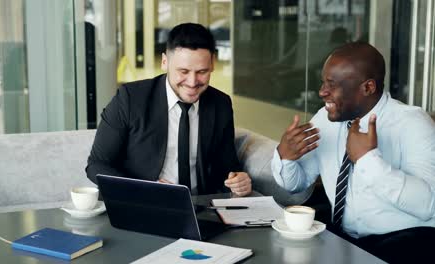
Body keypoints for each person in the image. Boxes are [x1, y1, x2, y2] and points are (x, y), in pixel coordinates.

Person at [272, 42, 435, 263]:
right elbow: (296, 184)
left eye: (332, 84)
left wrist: (368, 160)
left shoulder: (413, 123)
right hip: (346, 239)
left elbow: (427, 206)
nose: (322, 92)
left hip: (408, 241)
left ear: (368, 87)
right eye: (323, 82)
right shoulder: (325, 119)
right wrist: (286, 157)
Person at [86, 23, 252, 196]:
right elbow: (96, 165)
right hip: (144, 202)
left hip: (202, 209)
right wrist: (143, 189)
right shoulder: (130, 98)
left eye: (202, 72)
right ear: (165, 62)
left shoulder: (221, 104)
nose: (192, 82)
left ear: (213, 64)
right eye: (183, 71)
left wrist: (239, 181)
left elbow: (227, 169)